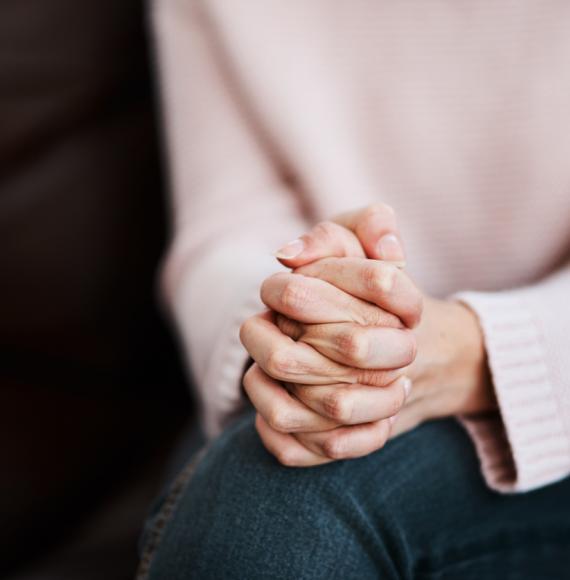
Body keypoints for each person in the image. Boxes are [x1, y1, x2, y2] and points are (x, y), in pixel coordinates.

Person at [139, 1, 570, 578]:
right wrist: (300, 322)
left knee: (282, 503)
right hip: (302, 376)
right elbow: (225, 224)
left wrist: (474, 351)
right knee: (273, 487)